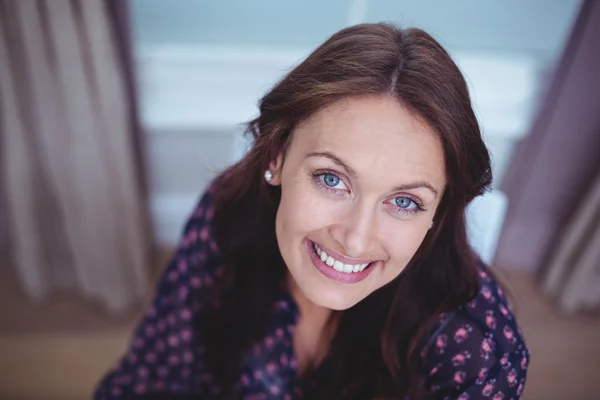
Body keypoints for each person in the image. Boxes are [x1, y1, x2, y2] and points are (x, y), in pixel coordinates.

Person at [95, 23, 529, 399]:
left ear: (440, 209)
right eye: (332, 179)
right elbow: (154, 375)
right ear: (276, 157)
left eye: (404, 201)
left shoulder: (477, 355)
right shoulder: (229, 213)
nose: (356, 239)